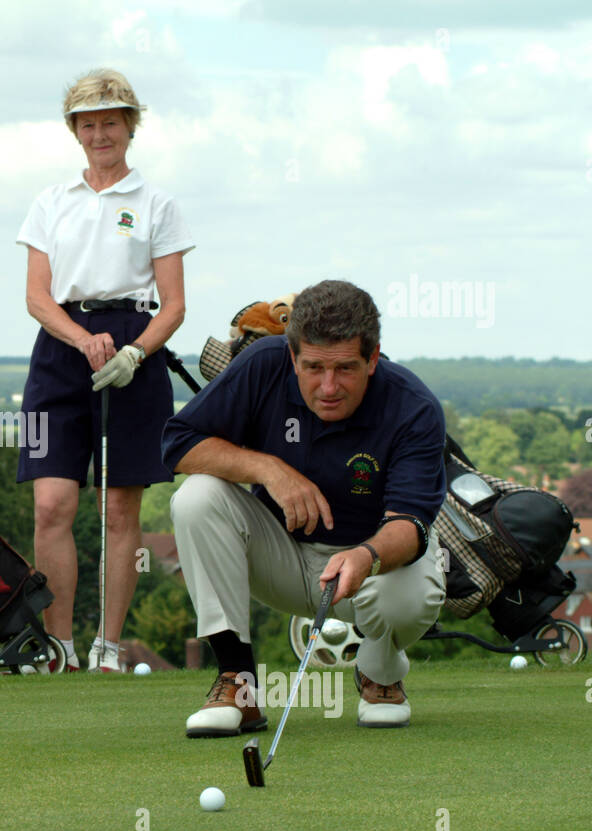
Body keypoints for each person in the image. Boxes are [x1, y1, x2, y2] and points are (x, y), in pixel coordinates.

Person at [163, 279, 446, 732]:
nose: (328, 386)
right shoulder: (262, 364)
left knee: (410, 596)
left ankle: (381, 674)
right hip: (282, 557)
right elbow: (178, 446)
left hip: (371, 568)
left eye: (346, 369)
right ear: (291, 356)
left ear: (373, 359)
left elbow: (411, 524)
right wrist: (269, 469)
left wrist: (365, 555)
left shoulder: (413, 407)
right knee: (196, 497)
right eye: (313, 367)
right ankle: (239, 684)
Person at [16, 69, 194, 672]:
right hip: (60, 346)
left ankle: (108, 648)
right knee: (51, 505)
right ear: (75, 131)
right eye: (88, 124)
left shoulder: (156, 204)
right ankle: (59, 646)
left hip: (133, 349)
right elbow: (38, 297)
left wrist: (134, 353)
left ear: (129, 127)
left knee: (119, 510)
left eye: (111, 122)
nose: (100, 133)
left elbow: (174, 305)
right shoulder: (50, 201)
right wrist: (80, 338)